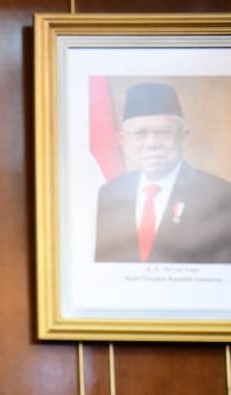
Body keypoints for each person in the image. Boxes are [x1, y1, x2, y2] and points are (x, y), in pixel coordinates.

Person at [95, 81, 231, 264]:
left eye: (164, 133)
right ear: (124, 140)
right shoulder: (108, 194)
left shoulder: (220, 196)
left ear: (183, 138)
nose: (152, 144)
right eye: (140, 134)